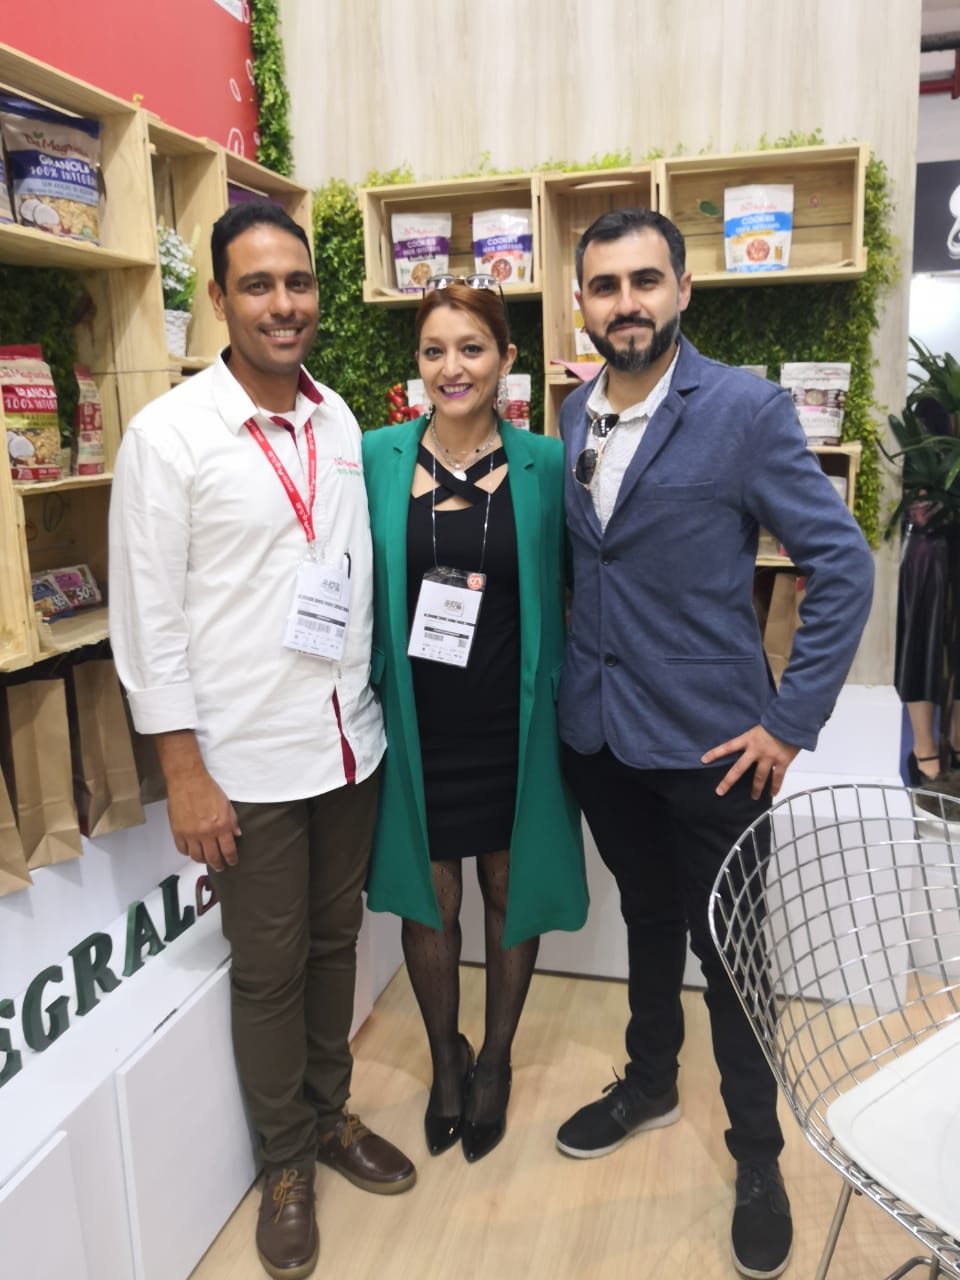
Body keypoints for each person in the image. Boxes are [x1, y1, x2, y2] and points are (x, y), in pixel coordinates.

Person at [554, 208, 874, 1280]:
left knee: (733, 955)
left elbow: (843, 565)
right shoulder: (572, 412)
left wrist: (789, 723)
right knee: (646, 918)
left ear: (684, 290)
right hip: (601, 739)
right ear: (582, 301)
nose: (627, 303)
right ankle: (650, 1081)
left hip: (715, 751)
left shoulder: (744, 409)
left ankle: (757, 1155)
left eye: (646, 281)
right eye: (606, 285)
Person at [109, 201, 415, 1280]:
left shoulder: (338, 421)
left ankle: (329, 1115)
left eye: (298, 282)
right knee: (271, 969)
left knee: (337, 944)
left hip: (348, 746)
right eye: (257, 285)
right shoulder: (169, 437)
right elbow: (148, 621)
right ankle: (285, 1161)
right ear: (219, 300)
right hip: (246, 763)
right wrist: (183, 772)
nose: (284, 304)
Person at [362, 278, 588, 1164]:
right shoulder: (377, 457)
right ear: (416, 363)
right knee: (432, 900)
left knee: (506, 887)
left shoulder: (545, 465)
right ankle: (444, 1066)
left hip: (512, 722)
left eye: (471, 349)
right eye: (434, 351)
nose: (451, 368)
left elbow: (580, 584)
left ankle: (494, 1060)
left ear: (505, 359)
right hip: (418, 725)